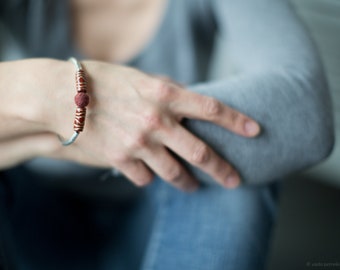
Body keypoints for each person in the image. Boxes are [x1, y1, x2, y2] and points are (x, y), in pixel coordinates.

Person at [0, 0, 334, 269]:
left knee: (233, 163)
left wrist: (32, 133)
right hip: (30, 221)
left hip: (165, 212)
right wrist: (46, 89)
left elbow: (305, 114)